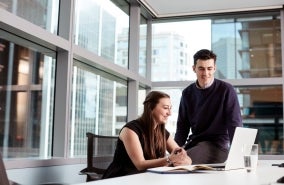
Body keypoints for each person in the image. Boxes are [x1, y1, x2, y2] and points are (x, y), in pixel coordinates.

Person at [174, 49, 243, 164]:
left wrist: (239, 156)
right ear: (194, 68)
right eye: (201, 68)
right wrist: (174, 149)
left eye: (209, 68)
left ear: (214, 68)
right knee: (172, 158)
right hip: (195, 143)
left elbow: (234, 124)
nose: (205, 73)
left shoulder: (226, 90)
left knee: (179, 161)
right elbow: (182, 127)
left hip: (217, 146)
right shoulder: (187, 93)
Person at [102, 91, 191, 179]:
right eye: (165, 108)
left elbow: (183, 156)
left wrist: (185, 160)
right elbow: (140, 164)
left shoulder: (162, 132)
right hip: (121, 178)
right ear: (150, 108)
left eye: (170, 108)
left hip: (145, 177)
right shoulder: (130, 130)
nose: (169, 113)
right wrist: (170, 159)